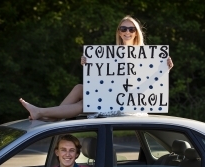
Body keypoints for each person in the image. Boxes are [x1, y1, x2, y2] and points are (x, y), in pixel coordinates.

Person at [19, 15, 174, 121]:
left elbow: (151, 83)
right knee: (79, 88)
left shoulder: (148, 55)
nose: (127, 32)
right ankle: (53, 115)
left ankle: (42, 112)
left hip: (128, 103)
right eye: (123, 29)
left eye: (131, 29)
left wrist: (165, 68)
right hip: (111, 96)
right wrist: (89, 64)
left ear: (136, 33)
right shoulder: (110, 54)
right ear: (119, 32)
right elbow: (103, 81)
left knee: (84, 103)